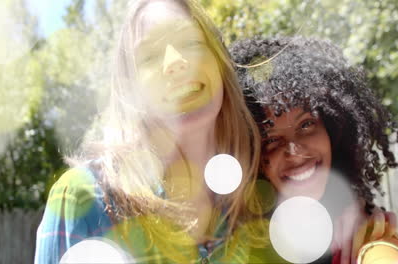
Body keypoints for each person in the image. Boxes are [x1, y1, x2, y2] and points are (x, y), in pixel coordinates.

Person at [34, 0, 263, 263]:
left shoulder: (258, 202)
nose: (175, 62)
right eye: (149, 56)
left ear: (220, 64)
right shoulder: (82, 197)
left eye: (190, 42)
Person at [230, 36, 398, 264]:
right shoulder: (233, 246)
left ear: (334, 131)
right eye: (271, 139)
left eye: (306, 124)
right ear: (252, 155)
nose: (294, 151)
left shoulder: (368, 238)